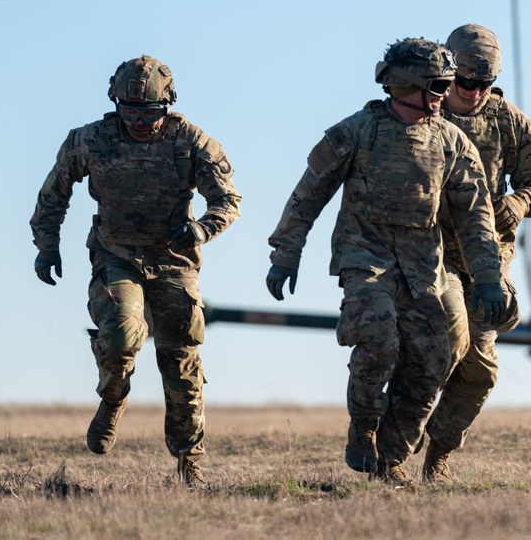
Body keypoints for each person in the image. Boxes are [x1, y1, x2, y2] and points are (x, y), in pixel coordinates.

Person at [265, 37, 505, 486]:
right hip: (365, 260)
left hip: (424, 270)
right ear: (404, 84)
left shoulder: (452, 142)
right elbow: (308, 195)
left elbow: (476, 217)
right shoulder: (356, 132)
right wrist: (286, 254)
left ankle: (390, 459)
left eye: (446, 87)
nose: (441, 98)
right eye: (435, 87)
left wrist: (490, 279)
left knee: (437, 357)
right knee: (378, 340)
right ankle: (365, 428)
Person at [30, 55, 242, 487]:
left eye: (150, 114)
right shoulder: (89, 140)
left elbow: (228, 200)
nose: (141, 123)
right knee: (122, 334)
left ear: (166, 106)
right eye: (131, 113)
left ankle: (189, 464)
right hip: (116, 256)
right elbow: (53, 196)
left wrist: (201, 230)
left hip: (174, 262)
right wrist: (46, 246)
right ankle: (112, 398)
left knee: (181, 360)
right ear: (115, 105)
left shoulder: (192, 141)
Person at [419, 24, 531, 482]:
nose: (475, 92)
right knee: (443, 344)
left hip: (484, 262)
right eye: (466, 82)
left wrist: (519, 202)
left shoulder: (507, 120)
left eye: (485, 83)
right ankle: (392, 441)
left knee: (479, 371)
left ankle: (438, 453)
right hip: (429, 256)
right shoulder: (423, 110)